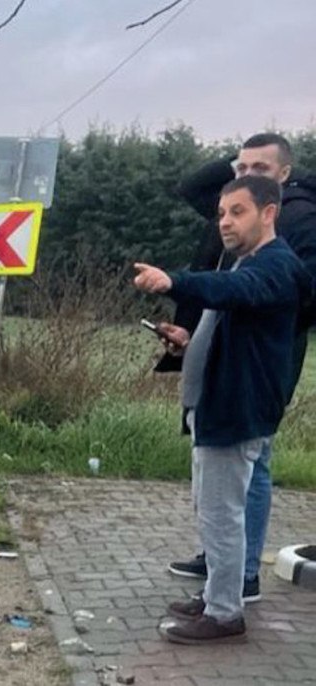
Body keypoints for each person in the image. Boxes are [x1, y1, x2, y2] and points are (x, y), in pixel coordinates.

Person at [134, 175, 309, 644]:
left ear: (268, 213)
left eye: (238, 212)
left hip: (236, 411)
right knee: (212, 511)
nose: (226, 223)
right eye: (221, 214)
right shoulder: (247, 265)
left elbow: (234, 293)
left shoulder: (275, 266)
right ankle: (217, 594)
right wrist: (190, 341)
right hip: (219, 405)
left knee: (222, 515)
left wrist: (174, 281)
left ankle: (225, 613)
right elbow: (235, 326)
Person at [163, 134, 316, 598]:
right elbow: (192, 187)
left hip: (265, 356)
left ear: (285, 176)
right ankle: (221, 566)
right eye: (241, 167)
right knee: (219, 489)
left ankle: (239, 577)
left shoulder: (299, 218)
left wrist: (266, 326)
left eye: (261, 169)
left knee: (250, 465)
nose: (247, 177)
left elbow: (296, 291)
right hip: (230, 346)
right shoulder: (240, 208)